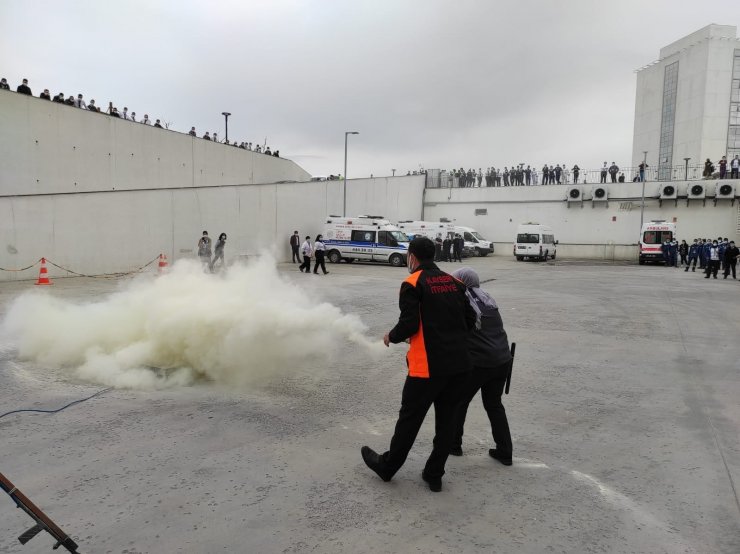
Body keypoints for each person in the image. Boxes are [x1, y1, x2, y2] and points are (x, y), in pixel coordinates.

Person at [360, 237, 476, 492]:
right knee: (447, 422)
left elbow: (409, 323)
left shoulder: (412, 283)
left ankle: (388, 467)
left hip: (427, 368)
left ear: (412, 257)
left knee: (409, 420)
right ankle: (434, 475)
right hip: (459, 366)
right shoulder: (454, 282)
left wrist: (392, 335)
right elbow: (471, 319)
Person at [449, 267, 513, 464]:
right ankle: (505, 451)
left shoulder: (462, 301)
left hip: (479, 363)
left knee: (459, 402)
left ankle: (454, 445)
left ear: (460, 282)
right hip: (502, 359)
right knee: (494, 405)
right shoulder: (487, 299)